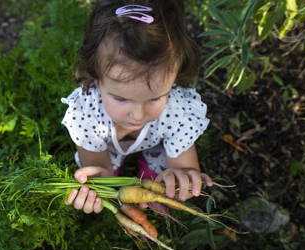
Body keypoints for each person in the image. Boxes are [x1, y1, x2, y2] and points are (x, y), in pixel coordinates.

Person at [61, 0, 213, 215]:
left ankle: (153, 182)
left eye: (155, 98)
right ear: (95, 77)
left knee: (164, 171)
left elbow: (184, 168)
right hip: (107, 146)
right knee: (105, 179)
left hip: (155, 140)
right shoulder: (86, 115)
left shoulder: (177, 111)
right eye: (121, 99)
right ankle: (126, 190)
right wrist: (99, 186)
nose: (139, 115)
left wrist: (181, 178)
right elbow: (97, 166)